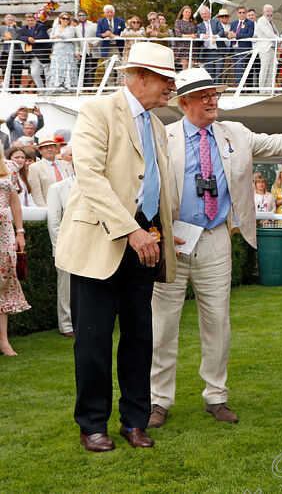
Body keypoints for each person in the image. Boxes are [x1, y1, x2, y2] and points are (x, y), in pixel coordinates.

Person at [148, 67, 282, 428]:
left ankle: (216, 396)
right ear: (184, 103)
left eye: (215, 94)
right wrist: (157, 231)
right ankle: (158, 401)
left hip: (216, 239)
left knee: (218, 323)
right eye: (205, 96)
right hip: (174, 242)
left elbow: (280, 144)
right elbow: (143, 187)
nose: (214, 100)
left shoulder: (236, 133)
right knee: (162, 325)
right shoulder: (161, 137)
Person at [54, 42, 179, 452]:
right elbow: (89, 177)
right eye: (165, 78)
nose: (171, 87)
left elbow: (153, 186)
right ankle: (92, 425)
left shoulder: (158, 126)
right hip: (101, 244)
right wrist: (132, 230)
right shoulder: (97, 110)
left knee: (140, 335)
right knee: (92, 338)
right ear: (139, 76)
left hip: (145, 244)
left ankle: (134, 422)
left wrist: (163, 228)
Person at [0, 157, 29, 356]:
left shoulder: (9, 166)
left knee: (3, 283)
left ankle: (4, 341)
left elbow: (14, 200)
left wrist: (20, 232)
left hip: (4, 234)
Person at [47, 151, 75, 338]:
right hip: (66, 248)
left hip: (91, 247)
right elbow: (54, 223)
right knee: (66, 287)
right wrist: (60, 250)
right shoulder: (58, 188)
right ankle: (67, 325)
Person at [28, 138, 72, 207]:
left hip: (69, 206)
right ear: (40, 151)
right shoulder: (35, 167)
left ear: (56, 149)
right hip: (50, 208)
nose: (49, 149)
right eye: (46, 148)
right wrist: (45, 210)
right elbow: (36, 195)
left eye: (51, 146)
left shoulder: (66, 165)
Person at [17, 13, 50, 90]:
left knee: (48, 74)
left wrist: (32, 39)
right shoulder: (24, 27)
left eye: (31, 20)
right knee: (34, 73)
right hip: (32, 55)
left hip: (43, 54)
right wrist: (28, 39)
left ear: (35, 20)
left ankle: (49, 90)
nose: (30, 22)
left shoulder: (41, 26)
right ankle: (42, 90)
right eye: (28, 20)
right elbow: (19, 36)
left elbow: (42, 36)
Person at [47, 12, 78, 92]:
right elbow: (51, 36)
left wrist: (58, 36)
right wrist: (57, 36)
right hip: (57, 50)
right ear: (60, 19)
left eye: (67, 19)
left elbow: (69, 36)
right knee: (57, 68)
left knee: (68, 67)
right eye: (63, 18)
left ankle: (68, 87)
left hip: (67, 50)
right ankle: (56, 87)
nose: (65, 20)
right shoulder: (55, 27)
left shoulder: (71, 28)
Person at [228, 6, 255, 88]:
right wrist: (229, 35)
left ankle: (239, 84)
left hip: (244, 48)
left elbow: (249, 35)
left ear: (246, 13)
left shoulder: (250, 23)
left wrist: (236, 35)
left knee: (240, 65)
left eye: (243, 12)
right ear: (237, 14)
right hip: (234, 48)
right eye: (240, 12)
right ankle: (240, 84)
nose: (242, 14)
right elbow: (229, 34)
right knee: (236, 67)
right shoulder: (234, 23)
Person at [255, 4, 280, 92]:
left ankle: (269, 90)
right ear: (263, 12)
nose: (269, 14)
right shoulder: (262, 20)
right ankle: (262, 90)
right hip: (265, 48)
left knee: (271, 70)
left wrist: (279, 40)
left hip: (272, 49)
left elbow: (275, 33)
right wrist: (279, 39)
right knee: (264, 69)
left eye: (271, 12)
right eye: (267, 12)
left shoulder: (271, 22)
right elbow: (268, 33)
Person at [196, 6, 225, 82]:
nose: (204, 15)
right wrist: (203, 36)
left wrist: (217, 36)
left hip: (218, 51)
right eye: (202, 14)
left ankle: (218, 91)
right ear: (201, 15)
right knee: (210, 73)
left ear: (209, 14)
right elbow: (198, 34)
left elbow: (222, 31)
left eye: (206, 13)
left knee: (219, 72)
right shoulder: (199, 26)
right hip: (207, 52)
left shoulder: (216, 21)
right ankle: (212, 91)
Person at [75, 10, 99, 89]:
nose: (82, 17)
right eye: (80, 15)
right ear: (77, 17)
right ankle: (82, 88)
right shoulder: (76, 28)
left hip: (92, 51)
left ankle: (88, 89)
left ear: (87, 16)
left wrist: (94, 43)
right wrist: (77, 52)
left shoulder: (94, 26)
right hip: (82, 52)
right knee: (82, 71)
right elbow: (76, 42)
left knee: (91, 71)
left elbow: (99, 37)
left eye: (84, 15)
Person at [173, 6, 197, 71]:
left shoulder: (193, 23)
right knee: (185, 69)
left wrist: (194, 36)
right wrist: (190, 36)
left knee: (192, 69)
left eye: (189, 12)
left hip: (192, 47)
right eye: (186, 12)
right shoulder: (178, 22)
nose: (188, 13)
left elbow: (196, 34)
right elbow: (178, 34)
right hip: (183, 47)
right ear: (182, 12)